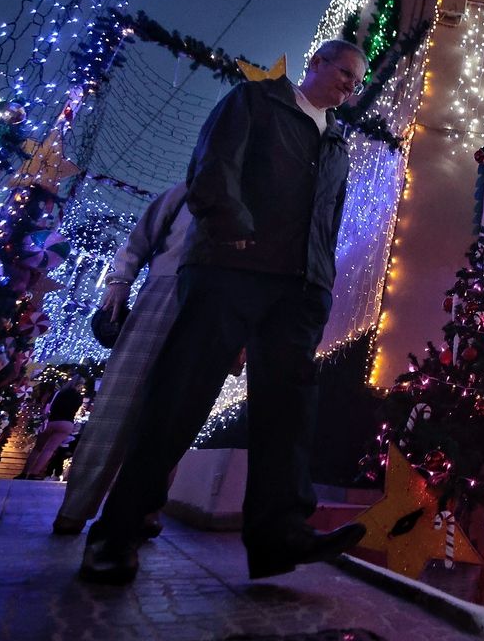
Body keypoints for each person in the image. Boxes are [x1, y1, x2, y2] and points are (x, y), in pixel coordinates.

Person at [80, 40, 369, 585]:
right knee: (179, 397)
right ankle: (115, 535)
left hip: (299, 291)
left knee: (289, 412)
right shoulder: (255, 102)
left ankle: (279, 537)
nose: (349, 87)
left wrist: (321, 282)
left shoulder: (336, 144)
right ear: (318, 63)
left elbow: (327, 218)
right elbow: (213, 168)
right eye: (345, 73)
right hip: (230, 270)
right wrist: (233, 227)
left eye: (357, 83)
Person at [52, 181, 191, 535]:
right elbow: (142, 236)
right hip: (163, 290)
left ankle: (144, 509)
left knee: (175, 418)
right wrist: (119, 280)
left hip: (214, 305)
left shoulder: (265, 191)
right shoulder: (192, 184)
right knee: (117, 405)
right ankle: (76, 506)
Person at [22, 376, 86, 478]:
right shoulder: (79, 397)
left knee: (38, 448)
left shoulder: (58, 393)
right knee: (49, 450)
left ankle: (24, 473)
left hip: (52, 421)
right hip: (67, 424)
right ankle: (34, 473)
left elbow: (47, 405)